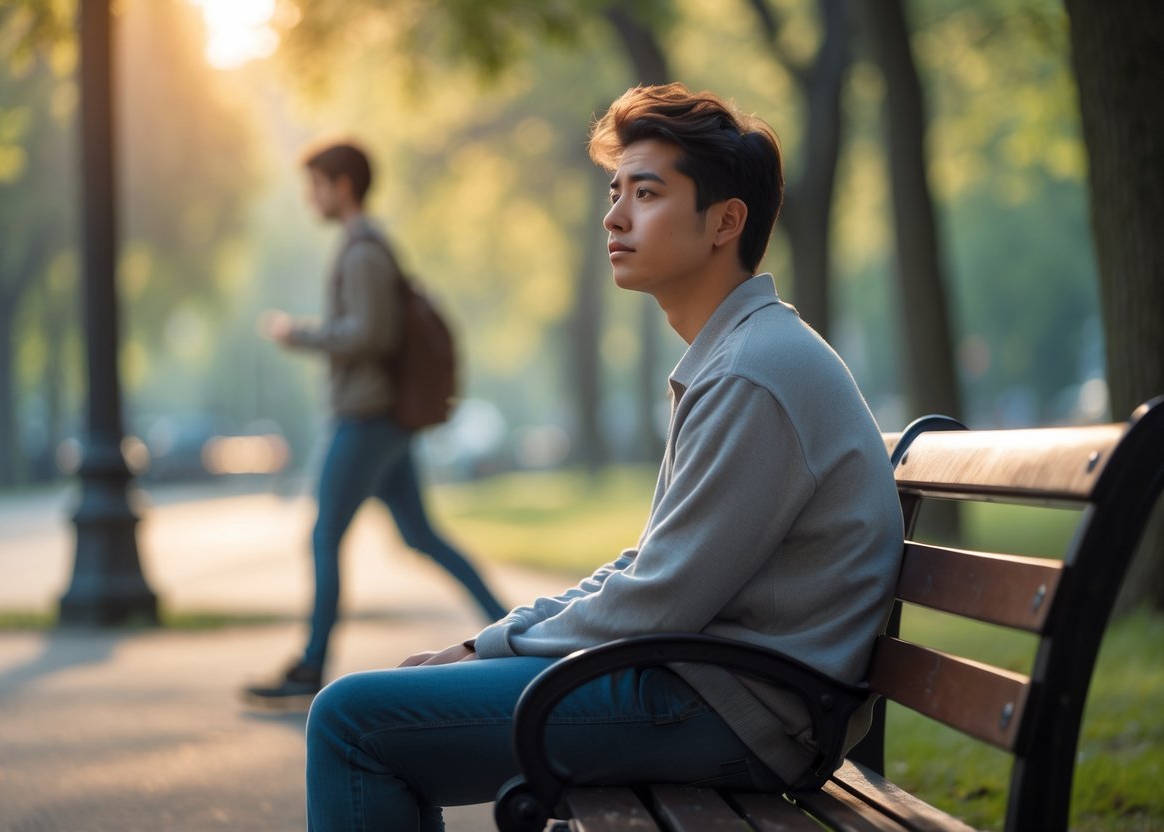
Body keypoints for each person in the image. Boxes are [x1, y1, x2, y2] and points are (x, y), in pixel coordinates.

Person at [304, 84, 905, 830]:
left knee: (348, 722)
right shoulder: (740, 355)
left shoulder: (752, 371)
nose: (613, 216)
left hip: (726, 712)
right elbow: (650, 568)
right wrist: (494, 639)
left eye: (645, 194)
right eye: (614, 191)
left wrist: (492, 644)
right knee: (383, 708)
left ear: (724, 221)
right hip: (717, 689)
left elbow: (657, 599)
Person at [245, 140, 508, 707]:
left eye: (316, 183)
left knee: (323, 535)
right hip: (382, 418)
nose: (310, 196)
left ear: (343, 185)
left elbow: (371, 334)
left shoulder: (363, 248)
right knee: (421, 535)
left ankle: (311, 666)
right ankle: (512, 629)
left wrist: (301, 334)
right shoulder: (364, 245)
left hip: (366, 420)